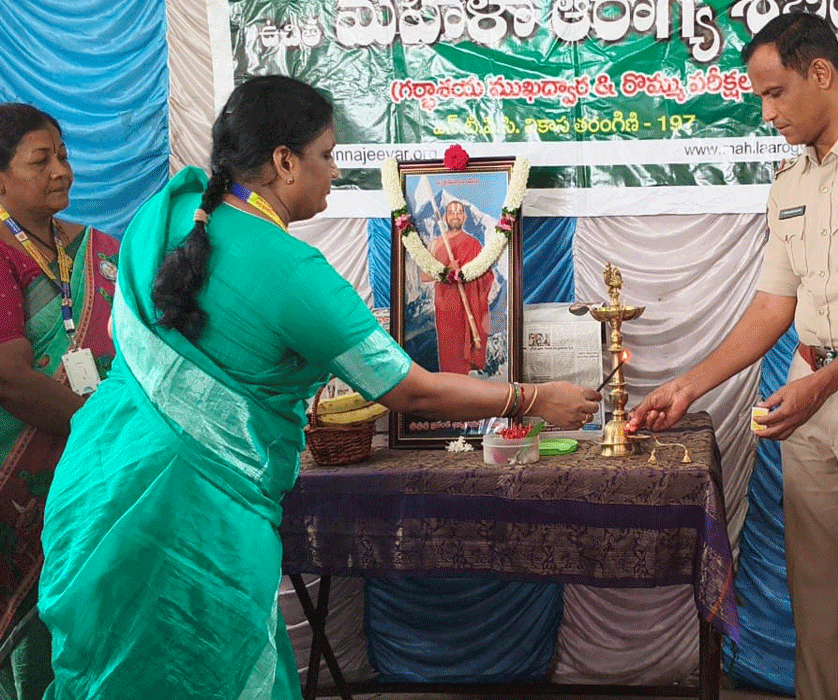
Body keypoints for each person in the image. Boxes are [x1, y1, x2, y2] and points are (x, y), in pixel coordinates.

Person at [35, 75, 599, 699]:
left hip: (94, 481)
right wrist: (534, 399)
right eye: (327, 155)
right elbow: (410, 392)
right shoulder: (291, 269)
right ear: (283, 162)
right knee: (208, 671)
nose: (335, 171)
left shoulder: (160, 220)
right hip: (192, 513)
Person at [628, 12, 838, 700]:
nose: (767, 111)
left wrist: (824, 382)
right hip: (809, 398)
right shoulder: (791, 183)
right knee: (816, 593)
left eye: (775, 93)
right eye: (760, 97)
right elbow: (774, 306)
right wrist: (688, 385)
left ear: (822, 73)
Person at [0, 103, 119, 700]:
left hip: (96, 476)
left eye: (64, 156)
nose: (61, 171)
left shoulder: (100, 251)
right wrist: (105, 430)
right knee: (31, 634)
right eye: (40, 160)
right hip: (23, 475)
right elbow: (10, 380)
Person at [423, 199, 494, 373]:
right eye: (451, 212)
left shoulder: (474, 244)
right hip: (446, 305)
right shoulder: (436, 243)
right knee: (449, 351)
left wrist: (464, 273)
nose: (455, 216)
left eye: (459, 212)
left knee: (465, 351)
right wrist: (447, 270)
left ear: (465, 217)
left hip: (468, 304)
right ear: (445, 217)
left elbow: (487, 275)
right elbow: (425, 276)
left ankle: (464, 391)